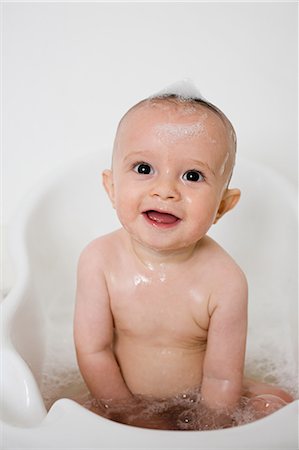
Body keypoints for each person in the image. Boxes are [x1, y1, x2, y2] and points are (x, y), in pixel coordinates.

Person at [74, 93, 293, 430]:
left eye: (192, 176)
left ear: (222, 206)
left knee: (277, 405)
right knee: (65, 414)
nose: (165, 190)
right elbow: (94, 353)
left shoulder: (224, 281)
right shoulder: (99, 262)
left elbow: (221, 379)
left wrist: (208, 427)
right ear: (112, 187)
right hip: (116, 394)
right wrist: (127, 412)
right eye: (144, 168)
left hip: (201, 398)